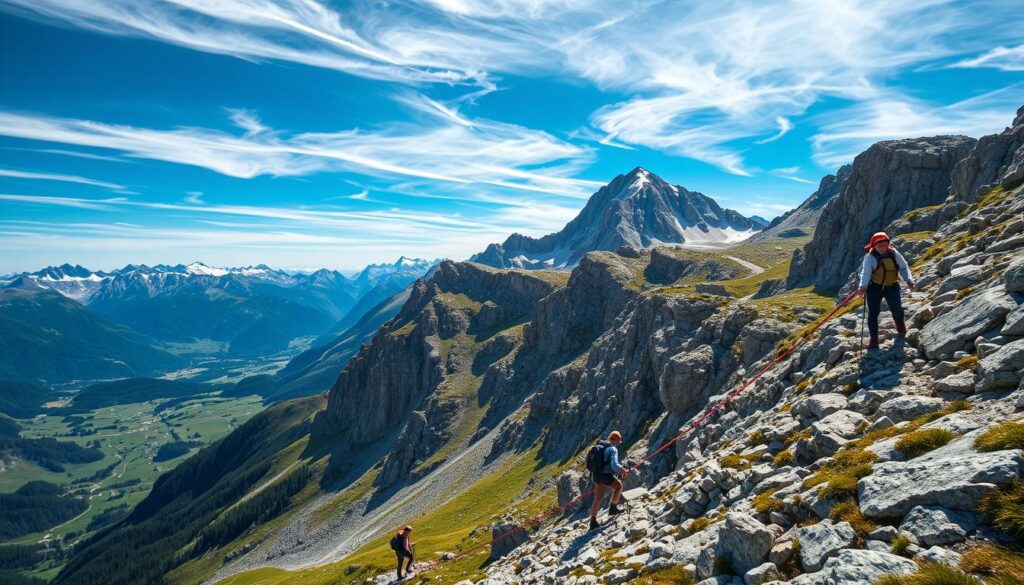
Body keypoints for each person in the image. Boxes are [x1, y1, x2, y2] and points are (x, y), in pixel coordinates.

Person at [855, 232, 916, 349]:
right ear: (873, 246)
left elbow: (903, 267)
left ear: (888, 244)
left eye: (885, 245)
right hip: (874, 288)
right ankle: (874, 340)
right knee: (873, 314)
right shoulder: (870, 257)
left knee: (897, 309)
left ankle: (900, 327)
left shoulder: (893, 253)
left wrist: (909, 280)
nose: (882, 248)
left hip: (892, 287)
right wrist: (862, 287)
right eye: (879, 246)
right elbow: (866, 274)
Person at [588, 430, 625, 531]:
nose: (619, 443)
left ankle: (593, 522)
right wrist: (622, 470)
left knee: (598, 497)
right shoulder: (612, 449)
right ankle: (613, 509)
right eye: (619, 440)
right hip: (605, 476)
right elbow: (614, 465)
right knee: (619, 486)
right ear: (616, 439)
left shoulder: (600, 445)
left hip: (596, 475)